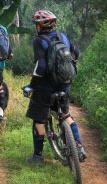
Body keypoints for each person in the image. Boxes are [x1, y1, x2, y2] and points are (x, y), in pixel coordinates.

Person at [26, 10, 86, 164]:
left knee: (39, 119)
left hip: (46, 88)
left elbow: (41, 67)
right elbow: (76, 53)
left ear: (40, 26)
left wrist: (32, 86)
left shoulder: (39, 41)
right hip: (64, 84)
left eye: (36, 24)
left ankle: (37, 156)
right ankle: (78, 146)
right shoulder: (63, 36)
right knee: (66, 115)